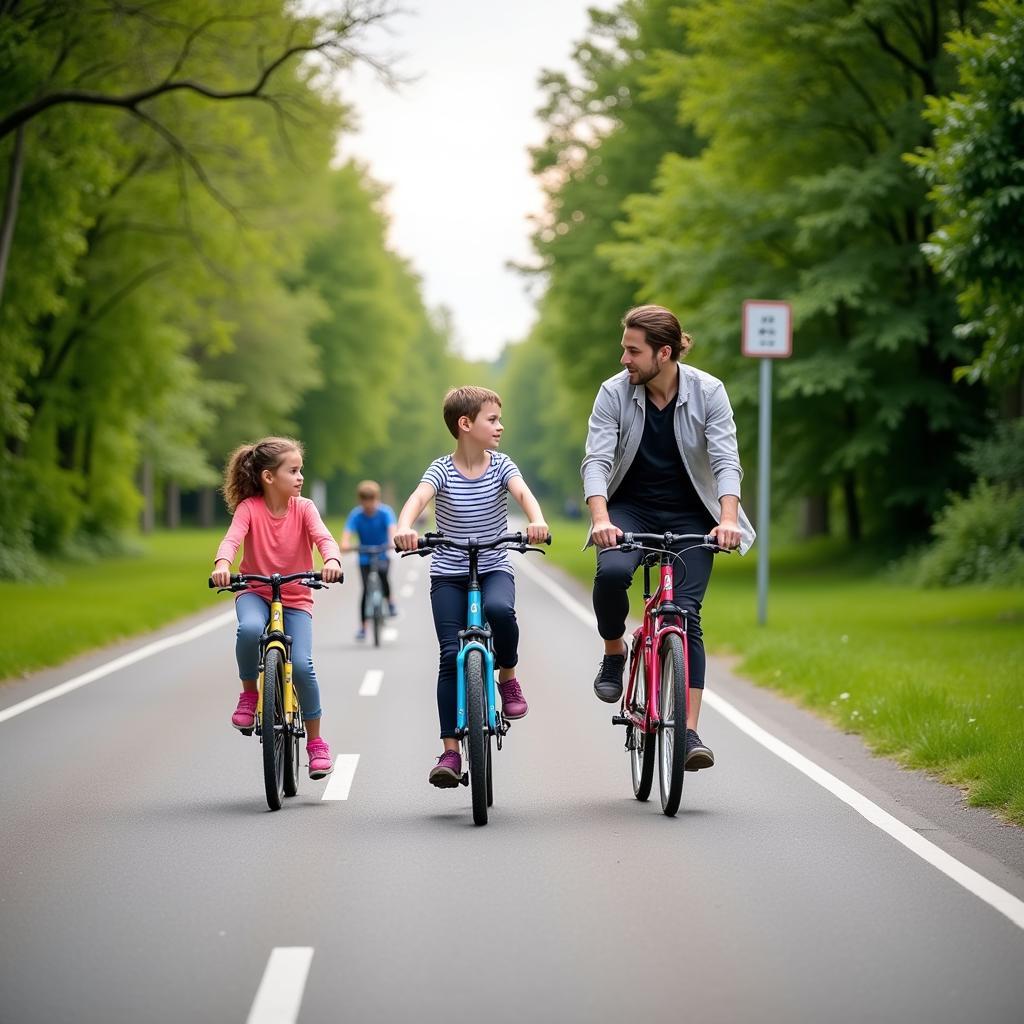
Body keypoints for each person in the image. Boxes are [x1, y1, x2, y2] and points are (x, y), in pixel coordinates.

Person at [582, 305, 755, 771]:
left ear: (664, 352)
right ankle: (614, 652)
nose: (623, 359)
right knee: (613, 571)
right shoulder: (613, 394)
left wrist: (728, 519)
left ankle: (690, 731)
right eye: (624, 348)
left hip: (693, 513)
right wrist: (601, 518)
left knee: (687, 615)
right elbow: (596, 460)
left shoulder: (709, 391)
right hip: (630, 509)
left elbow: (725, 462)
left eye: (632, 351)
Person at [394, 386, 550, 788]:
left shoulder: (502, 466)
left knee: (501, 612)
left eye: (499, 419)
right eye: (492, 419)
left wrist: (536, 519)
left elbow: (522, 493)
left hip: (494, 565)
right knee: (451, 655)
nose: (500, 426)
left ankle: (508, 676)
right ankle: (450, 751)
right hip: (448, 572)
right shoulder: (441, 470)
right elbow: (418, 498)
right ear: (466, 425)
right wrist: (404, 527)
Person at [210, 436, 343, 780]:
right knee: (250, 629)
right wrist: (223, 564)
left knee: (301, 665)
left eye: (301, 471)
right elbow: (232, 539)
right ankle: (249, 695)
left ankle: (316, 743)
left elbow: (324, 538)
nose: (300, 477)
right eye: (293, 471)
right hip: (254, 590)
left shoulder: (305, 508)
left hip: (296, 597)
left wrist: (331, 559)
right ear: (269, 477)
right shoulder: (249, 508)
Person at [341, 480, 398, 640]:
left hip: (382, 552)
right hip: (364, 555)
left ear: (377, 498)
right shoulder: (356, 515)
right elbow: (347, 535)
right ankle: (363, 628)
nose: (369, 504)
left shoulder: (385, 513)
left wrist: (393, 542)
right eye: (365, 501)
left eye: (372, 500)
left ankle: (390, 600)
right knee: (366, 590)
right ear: (360, 501)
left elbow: (392, 530)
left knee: (384, 577)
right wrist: (346, 544)